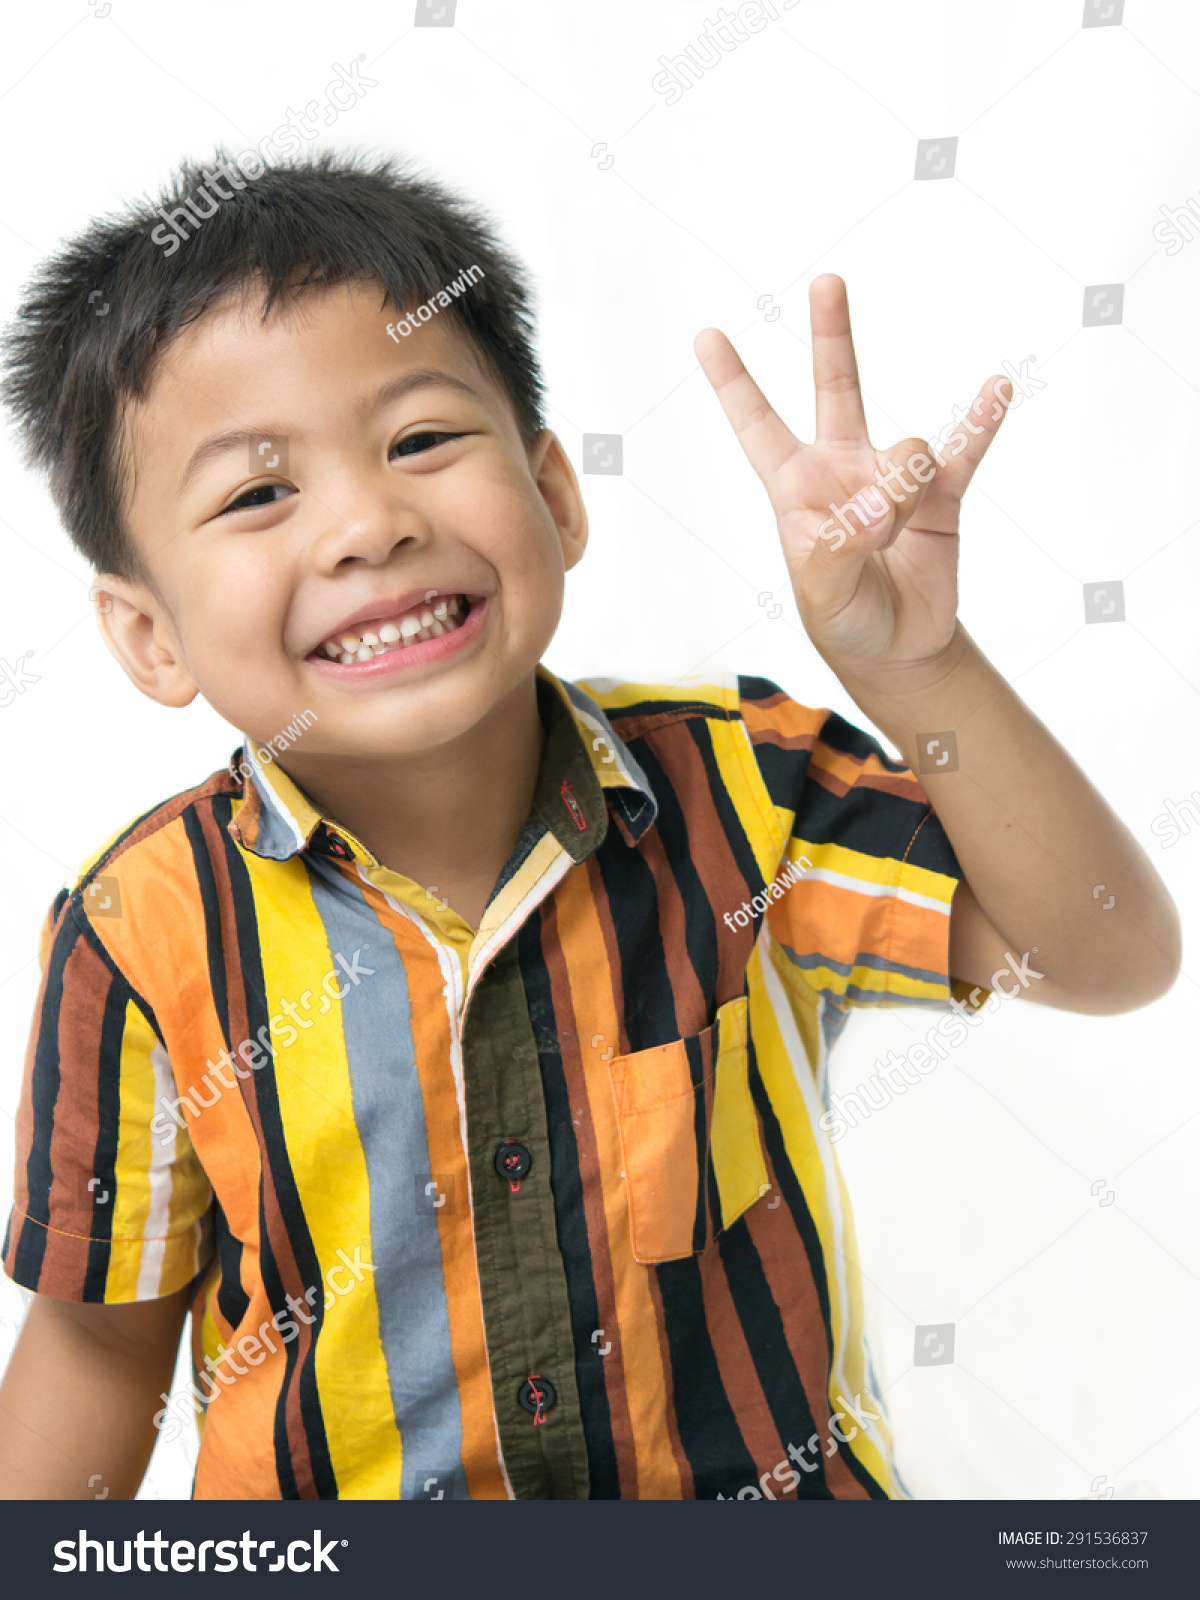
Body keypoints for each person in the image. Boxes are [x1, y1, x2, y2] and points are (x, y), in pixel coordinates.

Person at [0, 151, 1178, 1501]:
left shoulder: (745, 784)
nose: (369, 525)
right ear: (149, 634)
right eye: (260, 494)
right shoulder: (141, 931)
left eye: (421, 442)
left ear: (555, 498)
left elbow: (1106, 955)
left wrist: (913, 664)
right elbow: (97, 1348)